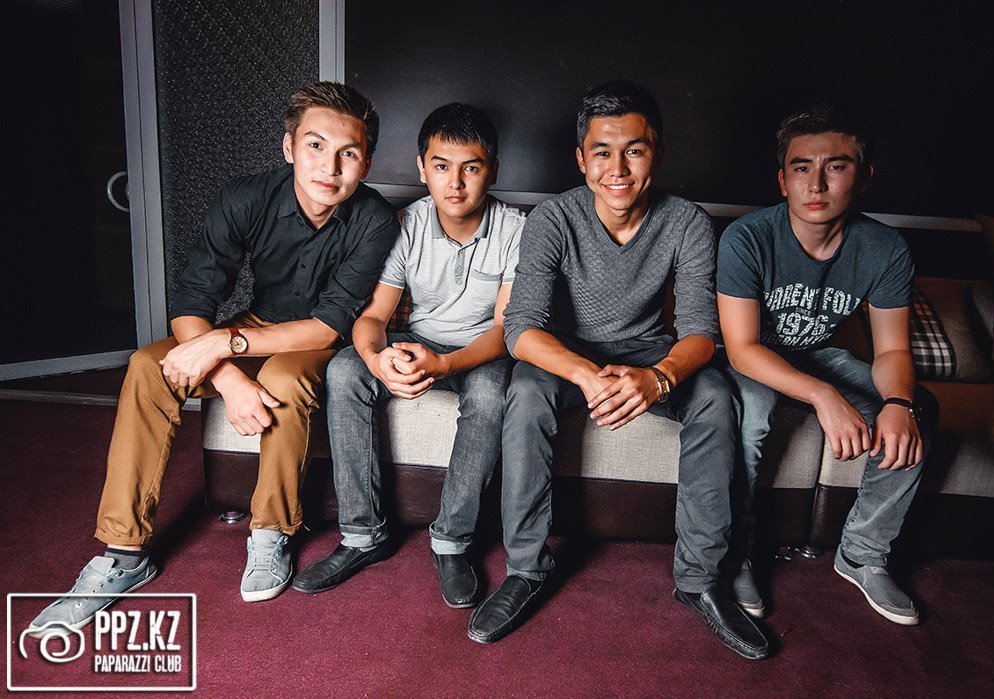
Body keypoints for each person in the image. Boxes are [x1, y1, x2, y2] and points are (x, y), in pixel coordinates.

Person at [29, 81, 399, 635]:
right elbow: (192, 303)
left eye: (348, 153)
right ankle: (124, 553)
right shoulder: (244, 198)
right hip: (254, 326)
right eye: (315, 146)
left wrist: (226, 345)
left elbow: (327, 327)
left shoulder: (375, 220)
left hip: (318, 342)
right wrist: (227, 377)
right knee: (147, 366)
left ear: (366, 163)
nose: (330, 167)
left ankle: (271, 533)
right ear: (288, 147)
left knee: (284, 378)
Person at [467, 81, 770, 659]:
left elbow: (701, 333)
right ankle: (526, 569)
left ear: (657, 154)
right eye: (602, 152)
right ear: (581, 159)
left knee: (715, 395)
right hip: (568, 354)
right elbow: (521, 328)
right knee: (524, 393)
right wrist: (585, 375)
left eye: (635, 150)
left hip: (650, 352)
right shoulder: (552, 218)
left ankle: (700, 579)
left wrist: (657, 378)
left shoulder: (687, 221)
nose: (618, 168)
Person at [293, 104, 523, 609]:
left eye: (471, 167)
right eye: (441, 166)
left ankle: (453, 542)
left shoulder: (516, 229)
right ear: (422, 168)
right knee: (345, 369)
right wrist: (377, 359)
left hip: (480, 351)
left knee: (492, 391)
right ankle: (362, 535)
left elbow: (505, 330)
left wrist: (446, 365)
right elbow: (374, 317)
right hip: (416, 340)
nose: (454, 183)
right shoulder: (405, 224)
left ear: (493, 170)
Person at [717, 103, 938, 625]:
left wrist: (898, 402)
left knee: (918, 409)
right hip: (749, 359)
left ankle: (863, 554)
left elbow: (892, 351)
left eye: (836, 166)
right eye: (801, 168)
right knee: (749, 413)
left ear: (863, 177)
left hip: (817, 354)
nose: (816, 184)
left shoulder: (885, 247)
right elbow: (743, 348)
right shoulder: (747, 237)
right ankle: (737, 553)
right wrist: (823, 396)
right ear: (782, 180)